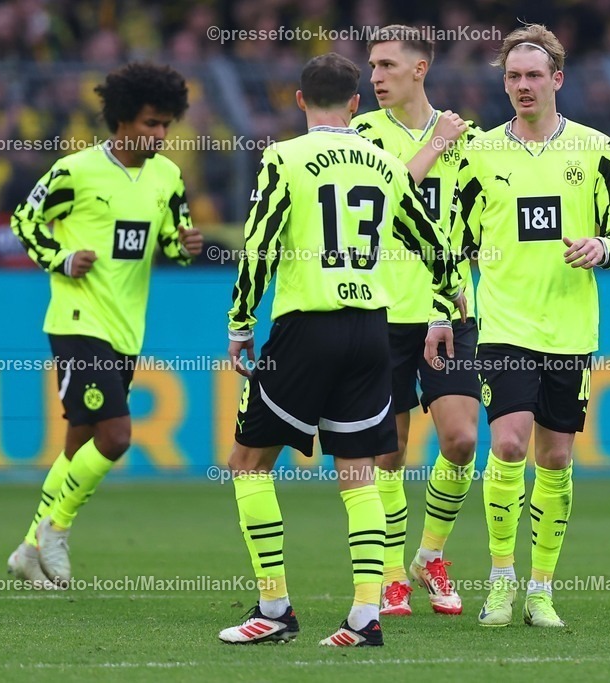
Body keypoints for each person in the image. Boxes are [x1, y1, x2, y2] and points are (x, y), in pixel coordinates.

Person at [217, 53, 464, 648]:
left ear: (299, 101)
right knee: (358, 474)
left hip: (308, 326)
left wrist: (240, 323)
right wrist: (445, 303)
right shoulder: (384, 164)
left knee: (247, 464)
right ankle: (364, 616)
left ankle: (275, 608)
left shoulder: (283, 158)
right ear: (356, 104)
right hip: (370, 332)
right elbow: (436, 248)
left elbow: (259, 247)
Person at [449, 24, 610, 628]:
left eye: (534, 75)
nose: (523, 85)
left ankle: (541, 589)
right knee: (507, 445)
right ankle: (501, 578)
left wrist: (602, 246)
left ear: (557, 79)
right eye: (513, 77)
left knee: (554, 460)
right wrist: (444, 307)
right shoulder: (479, 154)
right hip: (502, 323)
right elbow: (452, 239)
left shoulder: (596, 149)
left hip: (570, 328)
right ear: (503, 84)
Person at [7, 62, 199, 588]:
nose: (159, 135)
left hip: (125, 328)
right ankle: (56, 528)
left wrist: (183, 250)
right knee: (115, 438)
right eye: (149, 124)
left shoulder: (167, 177)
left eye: (165, 125)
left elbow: (167, 242)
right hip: (77, 320)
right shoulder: (77, 171)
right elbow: (24, 221)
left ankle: (28, 549)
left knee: (77, 447)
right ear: (121, 119)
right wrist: (62, 258)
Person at [350, 24, 480, 617]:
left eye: (386, 65)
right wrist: (434, 147)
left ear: (419, 69)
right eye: (371, 67)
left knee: (461, 439)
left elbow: (484, 215)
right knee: (389, 450)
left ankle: (430, 555)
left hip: (450, 308)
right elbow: (382, 203)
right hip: (382, 310)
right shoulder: (360, 135)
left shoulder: (469, 138)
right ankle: (390, 574)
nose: (374, 77)